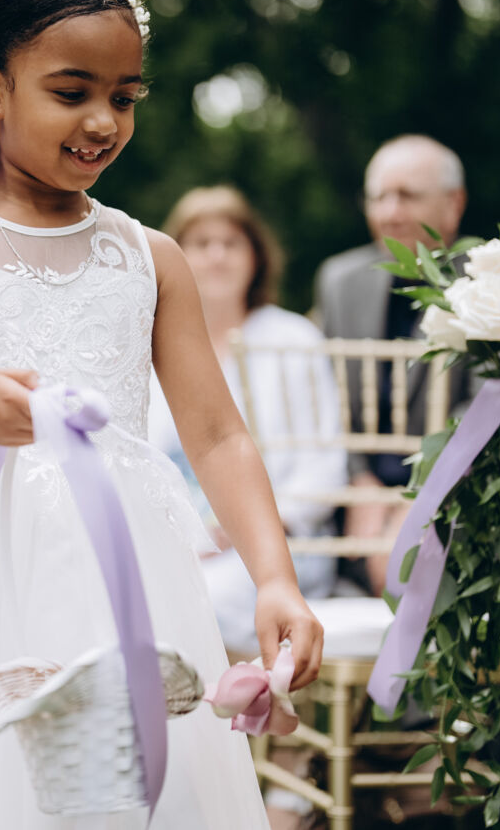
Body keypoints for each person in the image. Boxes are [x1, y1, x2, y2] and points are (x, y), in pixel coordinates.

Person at [0, 0, 323, 827]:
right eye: (71, 92)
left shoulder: (148, 256)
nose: (102, 122)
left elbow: (217, 435)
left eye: (123, 98)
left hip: (117, 571)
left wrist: (274, 578)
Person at [147, 187, 345, 652]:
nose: (217, 255)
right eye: (201, 243)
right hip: (174, 543)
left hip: (278, 546)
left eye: (231, 243)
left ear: (256, 255)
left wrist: (235, 530)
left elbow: (325, 464)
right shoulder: (149, 343)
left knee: (189, 603)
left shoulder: (293, 339)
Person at [314, 134, 470, 593]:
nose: (389, 213)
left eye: (407, 196)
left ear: (454, 204)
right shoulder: (339, 281)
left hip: (458, 496)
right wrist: (358, 481)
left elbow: (486, 409)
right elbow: (325, 396)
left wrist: (417, 501)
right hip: (353, 504)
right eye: (378, 197)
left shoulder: (491, 281)